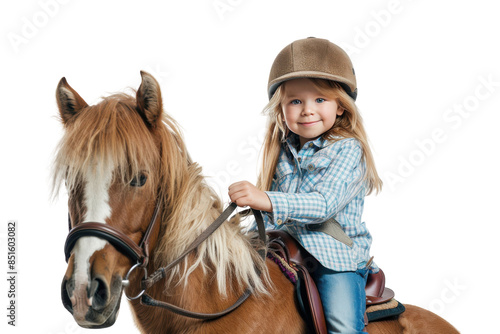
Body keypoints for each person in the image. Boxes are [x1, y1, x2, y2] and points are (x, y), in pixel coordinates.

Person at [228, 37, 382, 333]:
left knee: (342, 326)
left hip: (333, 258)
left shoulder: (348, 149)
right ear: (281, 109)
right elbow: (270, 217)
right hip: (284, 248)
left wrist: (267, 199)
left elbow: (324, 204)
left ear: (340, 107)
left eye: (319, 99)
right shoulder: (282, 152)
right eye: (295, 101)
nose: (307, 110)